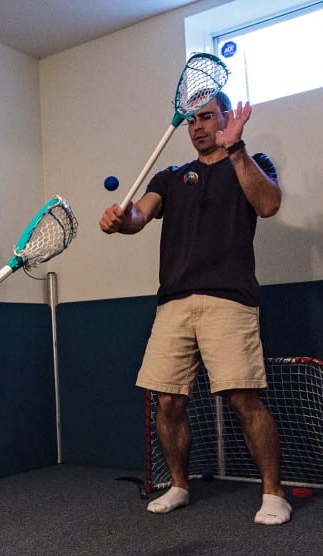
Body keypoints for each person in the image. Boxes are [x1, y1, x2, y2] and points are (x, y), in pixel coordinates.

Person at [99, 92, 291, 526]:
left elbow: (269, 204)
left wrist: (236, 147)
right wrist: (118, 221)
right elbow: (138, 218)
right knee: (166, 400)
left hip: (229, 298)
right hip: (174, 302)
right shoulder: (170, 177)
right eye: (191, 121)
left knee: (244, 397)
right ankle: (180, 486)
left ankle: (273, 493)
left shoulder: (251, 161)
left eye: (207, 117)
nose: (198, 126)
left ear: (225, 118)